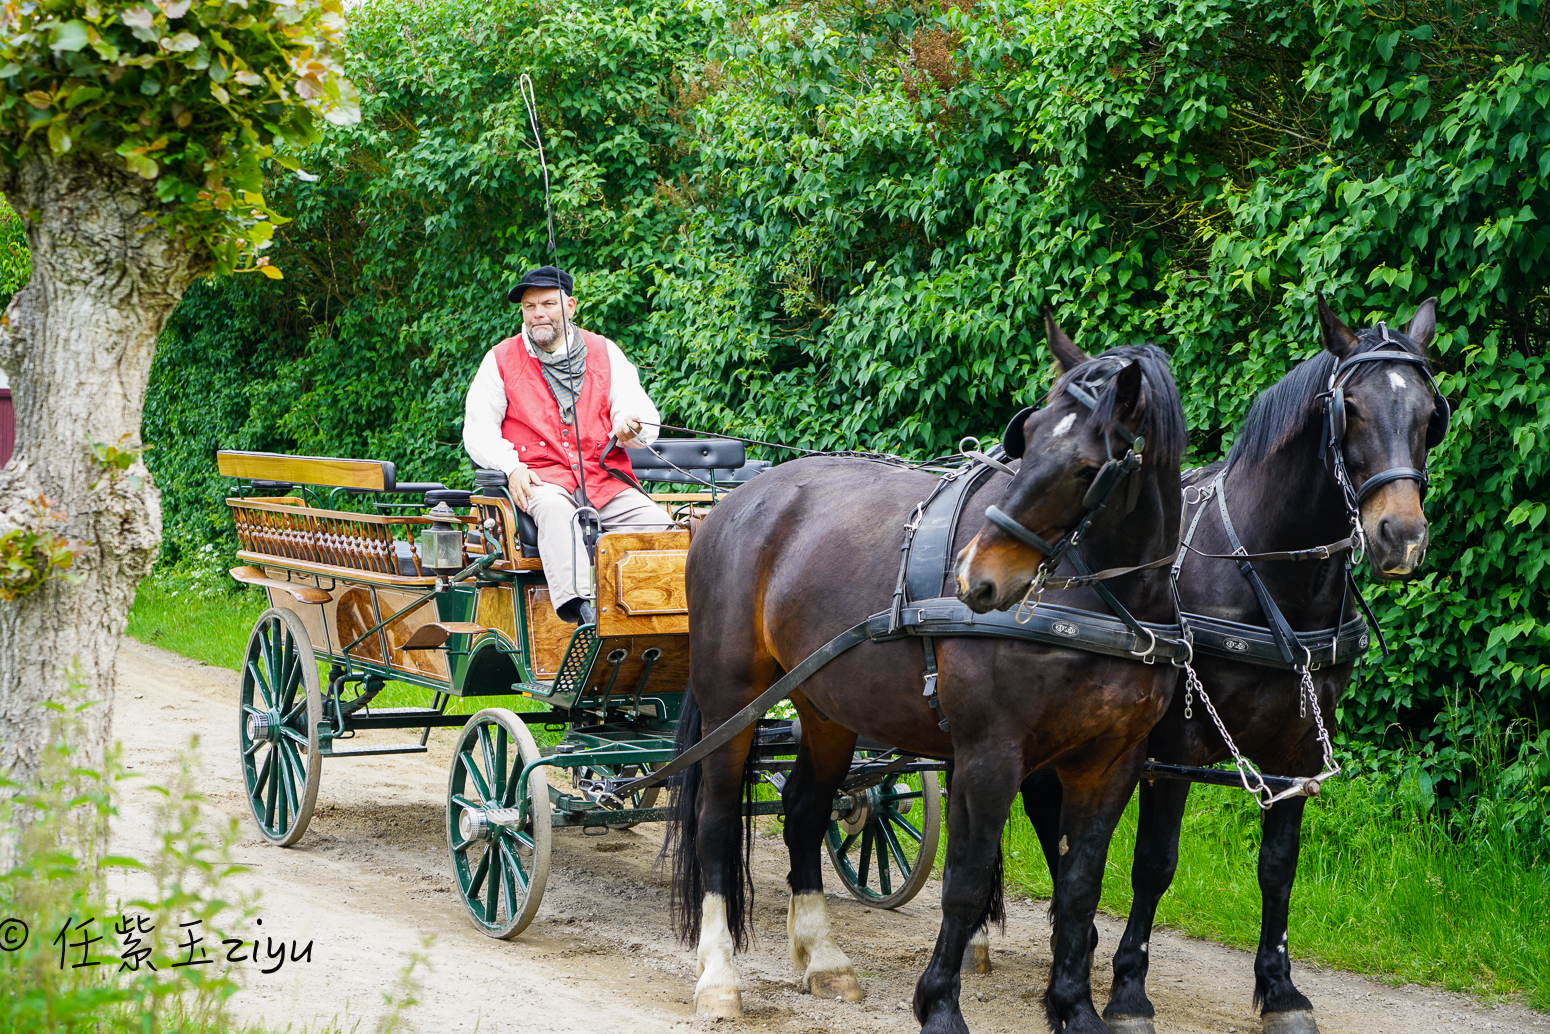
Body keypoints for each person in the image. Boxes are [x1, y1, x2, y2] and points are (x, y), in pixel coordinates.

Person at [463, 266, 673, 623]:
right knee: (555, 511)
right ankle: (584, 613)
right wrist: (512, 467)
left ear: (571, 306)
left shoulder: (605, 351)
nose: (538, 313)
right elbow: (478, 431)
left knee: (657, 524)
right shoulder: (500, 359)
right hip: (543, 480)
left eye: (548, 303)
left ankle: (663, 608)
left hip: (603, 479)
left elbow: (637, 414)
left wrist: (628, 427)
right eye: (529, 307)